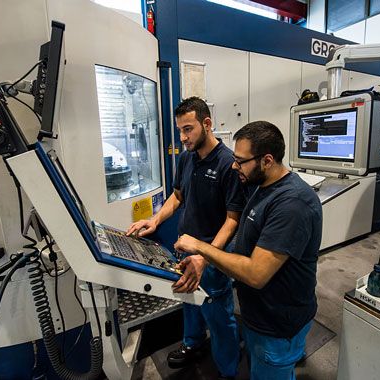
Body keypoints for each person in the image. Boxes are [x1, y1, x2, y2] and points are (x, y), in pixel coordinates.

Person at [174, 121, 322, 380]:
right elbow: (245, 240)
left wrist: (200, 248)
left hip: (277, 324)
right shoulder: (261, 187)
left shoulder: (292, 204)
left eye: (241, 161)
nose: (234, 166)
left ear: (267, 160)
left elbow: (256, 273)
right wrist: (203, 259)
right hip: (258, 316)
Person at [126, 97, 245, 379]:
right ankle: (193, 344)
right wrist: (154, 220)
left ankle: (228, 369)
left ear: (207, 123)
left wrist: (205, 256)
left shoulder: (229, 164)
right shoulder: (186, 158)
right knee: (189, 301)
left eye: (188, 129)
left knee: (219, 315)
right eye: (180, 130)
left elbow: (232, 220)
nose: (183, 137)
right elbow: (178, 195)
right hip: (183, 249)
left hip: (211, 257)